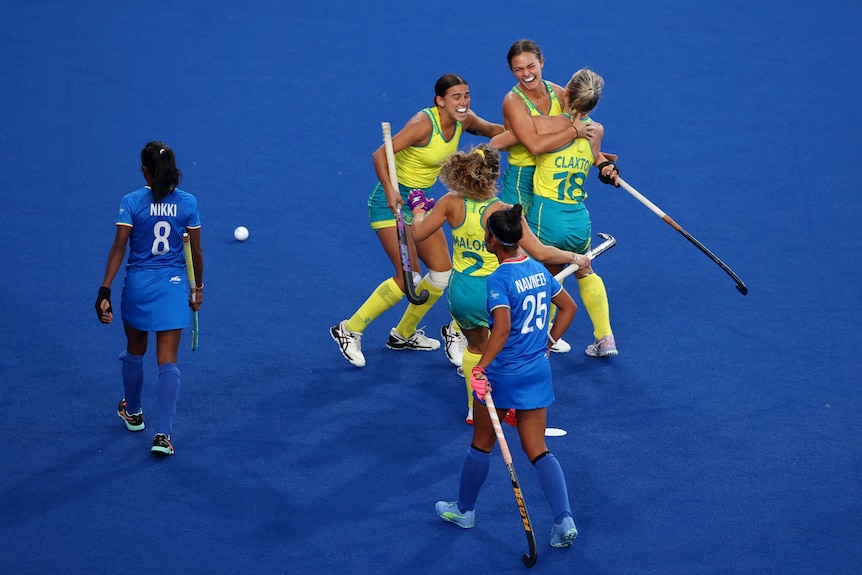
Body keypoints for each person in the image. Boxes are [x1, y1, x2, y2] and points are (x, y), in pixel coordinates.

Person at [330, 74, 504, 368]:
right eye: (456, 97)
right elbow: (379, 155)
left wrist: (527, 130)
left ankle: (403, 334)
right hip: (391, 205)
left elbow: (494, 130)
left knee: (440, 274)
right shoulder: (423, 124)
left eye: (466, 95)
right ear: (440, 100)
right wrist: (389, 190)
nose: (463, 103)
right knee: (407, 278)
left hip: (419, 205)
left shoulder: (464, 119)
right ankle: (349, 329)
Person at [434, 204, 580, 549]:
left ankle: (464, 510)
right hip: (537, 372)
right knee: (537, 448)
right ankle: (564, 519)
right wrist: (548, 342)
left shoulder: (499, 278)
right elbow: (569, 308)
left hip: (504, 375)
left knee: (481, 444)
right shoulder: (538, 269)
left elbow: (500, 329)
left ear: (492, 241)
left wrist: (481, 367)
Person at [410, 144, 588, 424]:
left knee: (475, 349)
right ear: (494, 176)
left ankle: (474, 407)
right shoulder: (504, 211)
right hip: (500, 291)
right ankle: (512, 403)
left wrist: (419, 209)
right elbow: (541, 253)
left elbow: (419, 233)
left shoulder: (449, 203)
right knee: (505, 350)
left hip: (463, 292)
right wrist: (575, 256)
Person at [491, 67, 620, 358]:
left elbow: (503, 142)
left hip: (548, 216)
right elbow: (589, 154)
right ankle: (605, 337)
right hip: (579, 219)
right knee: (584, 268)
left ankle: (541, 343)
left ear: (567, 94)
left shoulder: (548, 124)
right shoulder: (597, 131)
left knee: (545, 278)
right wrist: (604, 165)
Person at [95, 141, 203, 457]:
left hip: (138, 288)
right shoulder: (188, 203)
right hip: (172, 288)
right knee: (167, 361)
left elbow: (119, 248)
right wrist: (198, 289)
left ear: (145, 171)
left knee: (135, 351)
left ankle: (134, 411)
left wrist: (104, 290)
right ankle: (163, 436)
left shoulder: (131, 202)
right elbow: (196, 251)